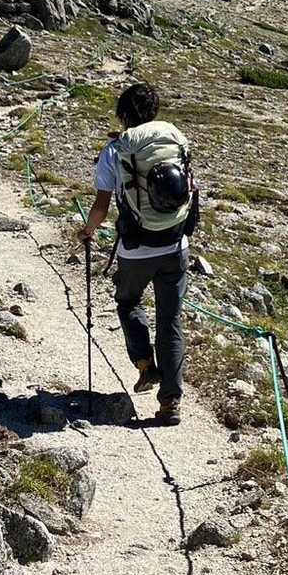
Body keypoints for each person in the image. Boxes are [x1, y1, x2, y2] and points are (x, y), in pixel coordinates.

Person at [78, 82, 199, 426]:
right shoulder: (174, 141)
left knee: (128, 301)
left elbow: (101, 206)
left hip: (136, 248)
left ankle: (146, 365)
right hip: (175, 244)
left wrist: (87, 231)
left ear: (124, 114)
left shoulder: (115, 150)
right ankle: (171, 402)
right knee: (170, 322)